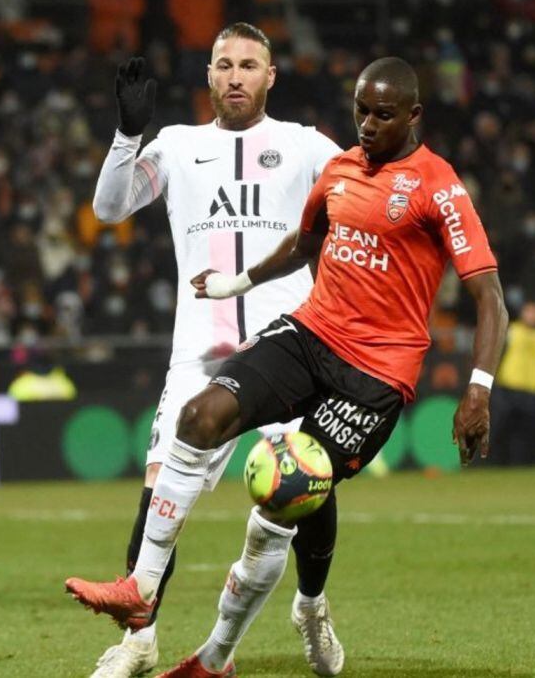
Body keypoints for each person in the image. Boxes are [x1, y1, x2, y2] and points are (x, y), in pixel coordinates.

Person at [69, 57, 508, 678]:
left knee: (282, 495)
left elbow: (490, 297)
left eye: (383, 115)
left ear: (414, 116)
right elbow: (303, 245)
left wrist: (478, 391)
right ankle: (140, 592)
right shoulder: (339, 168)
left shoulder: (437, 185)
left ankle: (221, 656)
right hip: (309, 334)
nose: (367, 124)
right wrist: (232, 284)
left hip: (376, 373)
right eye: (360, 110)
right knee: (199, 417)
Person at [66, 22, 341, 678]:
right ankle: (141, 641)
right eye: (225, 65)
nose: (236, 76)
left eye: (250, 64)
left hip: (286, 349)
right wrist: (127, 134)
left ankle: (312, 606)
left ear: (272, 76)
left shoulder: (304, 146)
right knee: (161, 493)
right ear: (208, 76)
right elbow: (108, 209)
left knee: (305, 490)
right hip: (201, 353)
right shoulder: (180, 146)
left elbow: (365, 195)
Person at [491, 301, 535, 465]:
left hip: (532, 388)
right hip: (508, 385)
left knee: (527, 431)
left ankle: (524, 463)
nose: (531, 316)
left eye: (534, 312)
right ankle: (496, 462)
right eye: (528, 312)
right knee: (501, 427)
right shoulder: (511, 331)